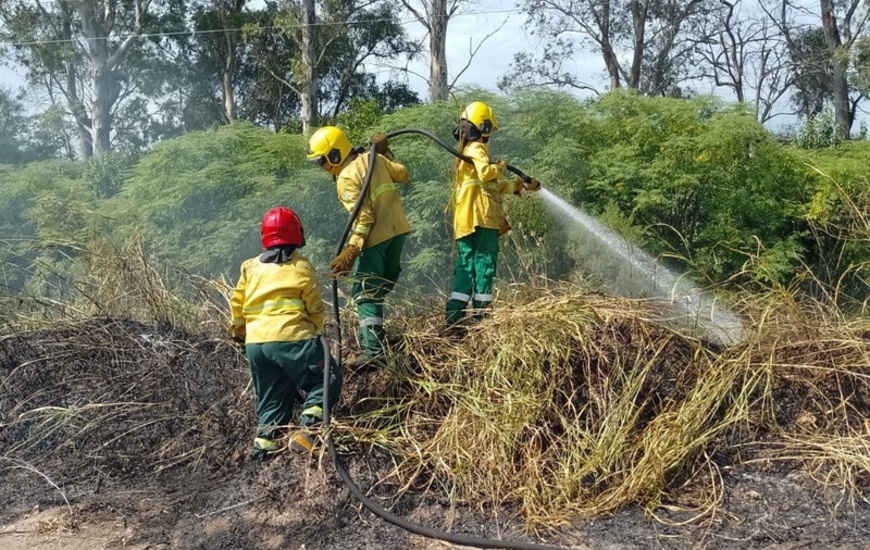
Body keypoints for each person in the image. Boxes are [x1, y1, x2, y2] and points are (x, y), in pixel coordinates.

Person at [229, 206, 341, 460]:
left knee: (272, 397)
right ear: (297, 234)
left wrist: (238, 330)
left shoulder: (250, 266)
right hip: (293, 339)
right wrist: (316, 330)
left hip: (257, 345)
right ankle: (308, 431)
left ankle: (263, 450)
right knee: (326, 378)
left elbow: (237, 302)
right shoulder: (301, 266)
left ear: (264, 236)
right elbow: (314, 305)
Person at [306, 126, 411, 368]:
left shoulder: (345, 178)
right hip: (398, 231)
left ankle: (373, 351)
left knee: (366, 292)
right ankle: (376, 336)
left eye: (322, 160)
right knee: (377, 288)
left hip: (375, 239)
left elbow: (365, 219)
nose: (321, 166)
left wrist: (351, 251)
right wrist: (386, 153)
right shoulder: (372, 158)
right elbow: (403, 174)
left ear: (335, 155)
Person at [446, 101, 541, 326]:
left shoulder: (464, 154)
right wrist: (501, 167)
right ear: (484, 127)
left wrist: (516, 186)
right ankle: (481, 318)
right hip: (483, 217)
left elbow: (488, 186)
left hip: (466, 220)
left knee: (465, 266)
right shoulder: (478, 149)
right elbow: (488, 174)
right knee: (484, 265)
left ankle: (454, 316)